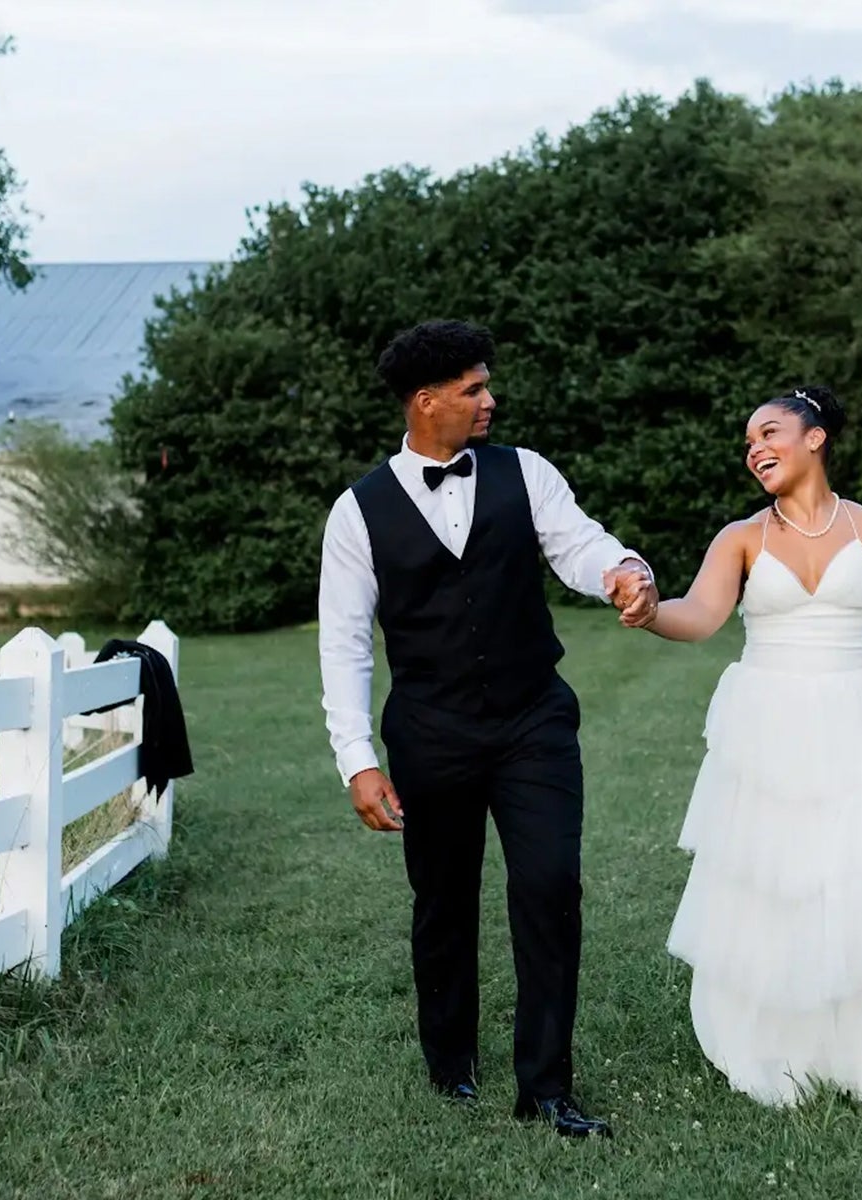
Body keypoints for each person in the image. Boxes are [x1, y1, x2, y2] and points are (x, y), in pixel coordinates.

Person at [317, 319, 656, 1138]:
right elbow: (345, 642)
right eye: (473, 389)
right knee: (443, 899)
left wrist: (624, 569)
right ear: (426, 402)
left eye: (485, 384)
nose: (489, 399)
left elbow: (579, 546)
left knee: (549, 888)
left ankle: (545, 1086)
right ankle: (450, 1063)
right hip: (430, 731)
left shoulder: (526, 473)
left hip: (533, 720)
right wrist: (357, 759)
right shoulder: (357, 511)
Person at [622, 385, 862, 1123]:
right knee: (773, 885)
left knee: (861, 883)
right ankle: (779, 1050)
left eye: (768, 432)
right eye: (747, 443)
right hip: (766, 729)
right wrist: (651, 613)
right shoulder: (741, 538)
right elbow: (700, 615)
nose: (755, 449)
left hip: (854, 723)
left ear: (816, 438)